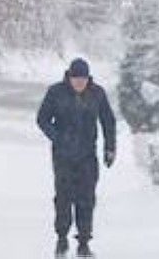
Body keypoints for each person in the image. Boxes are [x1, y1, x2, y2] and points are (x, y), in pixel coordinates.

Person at [36, 58, 117, 258]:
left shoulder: (97, 94)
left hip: (87, 155)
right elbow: (42, 119)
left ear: (88, 79)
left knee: (86, 198)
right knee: (63, 197)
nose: (79, 83)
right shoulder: (56, 92)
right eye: (76, 79)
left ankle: (84, 242)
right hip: (63, 155)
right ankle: (62, 238)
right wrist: (58, 137)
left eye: (83, 79)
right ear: (69, 77)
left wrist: (110, 148)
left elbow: (108, 121)